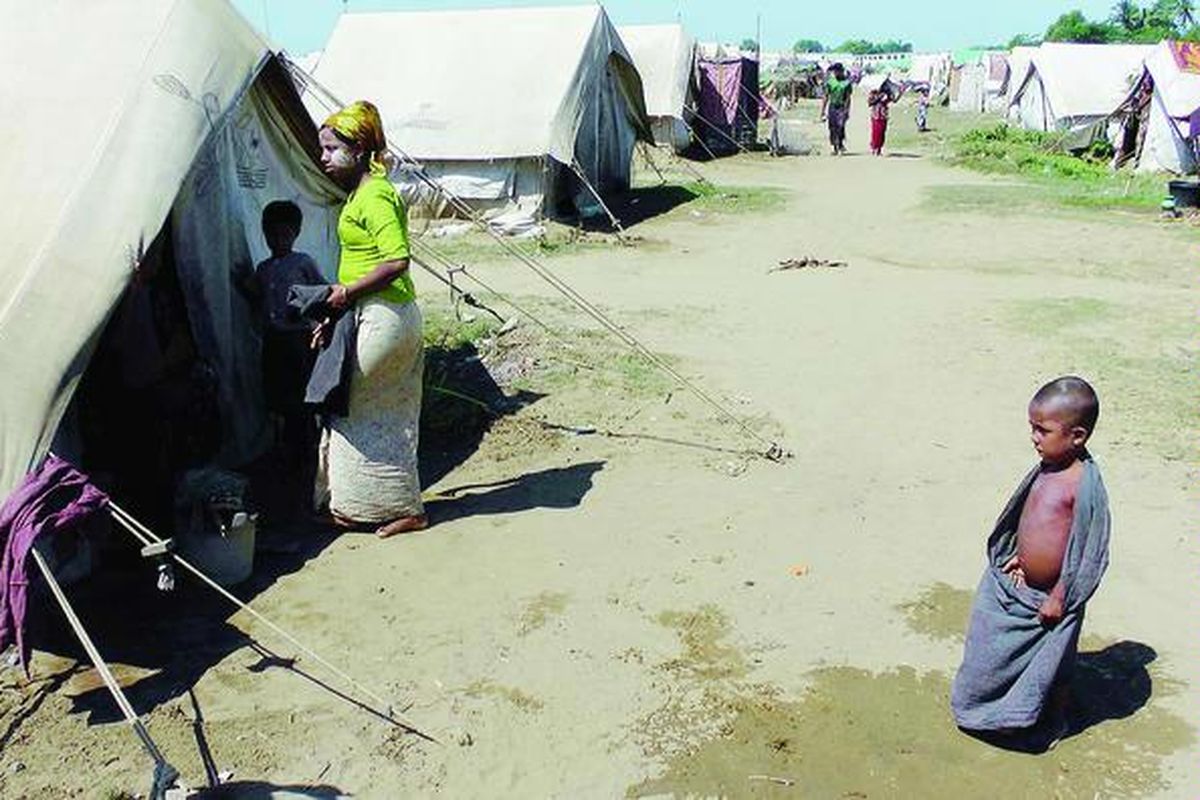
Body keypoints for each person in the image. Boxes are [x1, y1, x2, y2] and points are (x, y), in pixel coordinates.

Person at [951, 377, 1111, 746]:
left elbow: (1087, 549)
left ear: (1078, 436)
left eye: (1043, 430)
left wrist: (1061, 594)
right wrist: (1018, 557)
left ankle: (1051, 719)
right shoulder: (1048, 468)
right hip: (1021, 585)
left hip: (1052, 599)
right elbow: (1030, 520)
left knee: (1052, 665)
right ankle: (991, 705)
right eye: (1032, 428)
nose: (1034, 437)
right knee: (989, 642)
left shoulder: (1082, 484)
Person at [316, 100, 427, 538]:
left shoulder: (376, 195)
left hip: (384, 317)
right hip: (370, 314)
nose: (323, 157)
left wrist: (345, 293)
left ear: (360, 149)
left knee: (368, 408)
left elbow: (397, 260)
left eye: (330, 148)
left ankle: (402, 509)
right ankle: (360, 505)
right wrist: (337, 310)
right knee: (370, 413)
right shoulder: (362, 194)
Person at [251, 201, 325, 509]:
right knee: (276, 398)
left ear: (295, 234)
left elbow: (321, 293)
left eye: (284, 234)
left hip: (298, 339)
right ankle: (287, 452)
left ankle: (306, 456)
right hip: (274, 340)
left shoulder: (303, 263)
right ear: (265, 235)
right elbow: (256, 298)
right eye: (272, 234)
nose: (278, 240)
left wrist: (316, 323)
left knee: (301, 399)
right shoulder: (263, 269)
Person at [820, 63, 853, 155]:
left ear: (841, 71)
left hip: (842, 107)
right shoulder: (830, 82)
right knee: (832, 127)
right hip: (833, 107)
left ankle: (840, 143)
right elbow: (826, 96)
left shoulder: (846, 83)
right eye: (834, 71)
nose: (835, 73)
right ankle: (834, 146)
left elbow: (848, 98)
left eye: (837, 71)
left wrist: (847, 110)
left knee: (841, 125)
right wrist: (822, 111)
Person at [867, 80, 894, 156]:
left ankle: (879, 148)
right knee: (875, 132)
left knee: (882, 133)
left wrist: (899, 92)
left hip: (883, 116)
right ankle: (874, 147)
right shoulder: (873, 93)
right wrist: (878, 98)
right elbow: (869, 103)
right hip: (875, 115)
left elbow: (894, 100)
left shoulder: (887, 94)